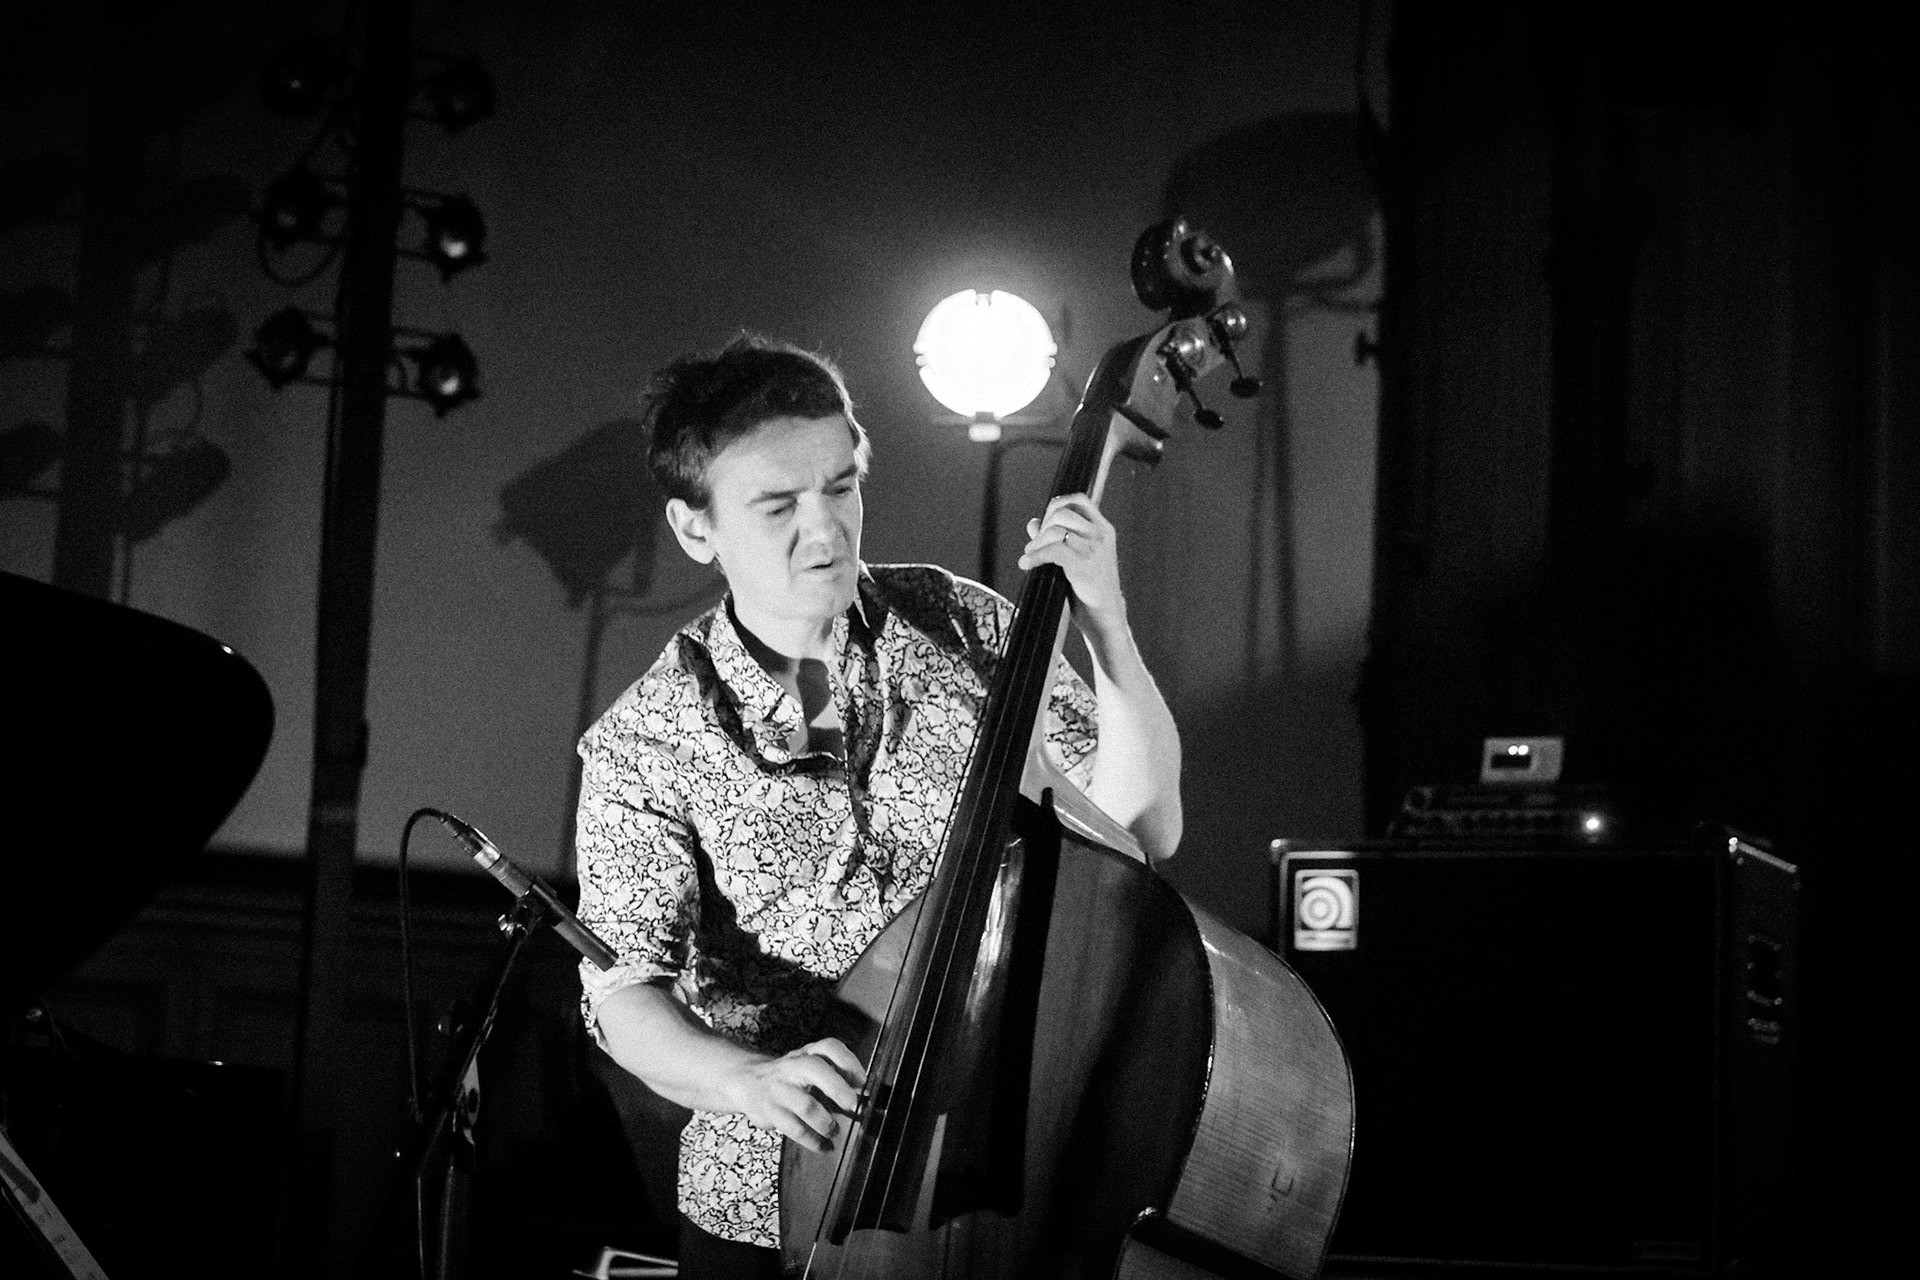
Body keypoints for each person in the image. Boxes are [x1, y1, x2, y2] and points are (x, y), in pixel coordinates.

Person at [574, 334, 1182, 1279]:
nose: (826, 531)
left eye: (841, 486)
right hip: (767, 1212)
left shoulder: (962, 622)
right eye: (778, 505)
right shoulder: (646, 738)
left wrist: (1109, 631)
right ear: (697, 529)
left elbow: (1141, 836)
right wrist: (749, 1078)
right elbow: (624, 998)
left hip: (1001, 1167)